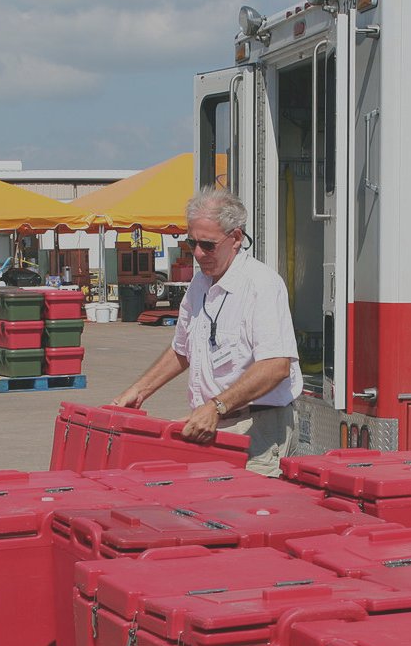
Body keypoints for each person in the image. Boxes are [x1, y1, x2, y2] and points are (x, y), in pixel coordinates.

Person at [111, 188, 302, 476]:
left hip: (257, 428)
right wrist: (139, 391)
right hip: (215, 421)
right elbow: (182, 349)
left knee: (245, 515)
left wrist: (217, 407)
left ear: (236, 238)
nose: (198, 254)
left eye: (208, 245)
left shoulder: (261, 285)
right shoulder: (200, 284)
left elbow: (276, 366)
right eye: (192, 244)